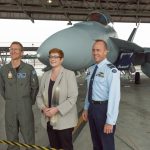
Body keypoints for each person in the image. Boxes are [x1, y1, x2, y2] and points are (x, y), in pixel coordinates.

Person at [36, 48, 78, 150]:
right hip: (49, 119)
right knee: (54, 147)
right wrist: (43, 108)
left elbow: (72, 97)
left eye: (56, 57)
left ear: (61, 59)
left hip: (64, 121)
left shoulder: (69, 74)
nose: (53, 59)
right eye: (51, 56)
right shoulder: (45, 75)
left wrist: (57, 109)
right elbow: (39, 96)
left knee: (66, 147)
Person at [82, 39, 120, 150]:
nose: (95, 53)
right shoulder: (91, 69)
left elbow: (114, 97)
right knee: (96, 143)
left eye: (98, 50)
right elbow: (89, 90)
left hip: (104, 110)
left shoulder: (111, 71)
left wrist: (110, 121)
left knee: (106, 144)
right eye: (93, 50)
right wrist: (86, 108)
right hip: (92, 109)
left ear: (105, 52)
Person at [0, 41, 39, 150]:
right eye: (11, 49)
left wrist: (28, 101)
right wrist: (10, 98)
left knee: (29, 136)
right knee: (11, 138)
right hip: (10, 106)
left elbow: (35, 87)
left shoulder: (29, 69)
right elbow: (2, 89)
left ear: (21, 52)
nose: (13, 51)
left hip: (25, 106)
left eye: (16, 49)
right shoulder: (3, 70)